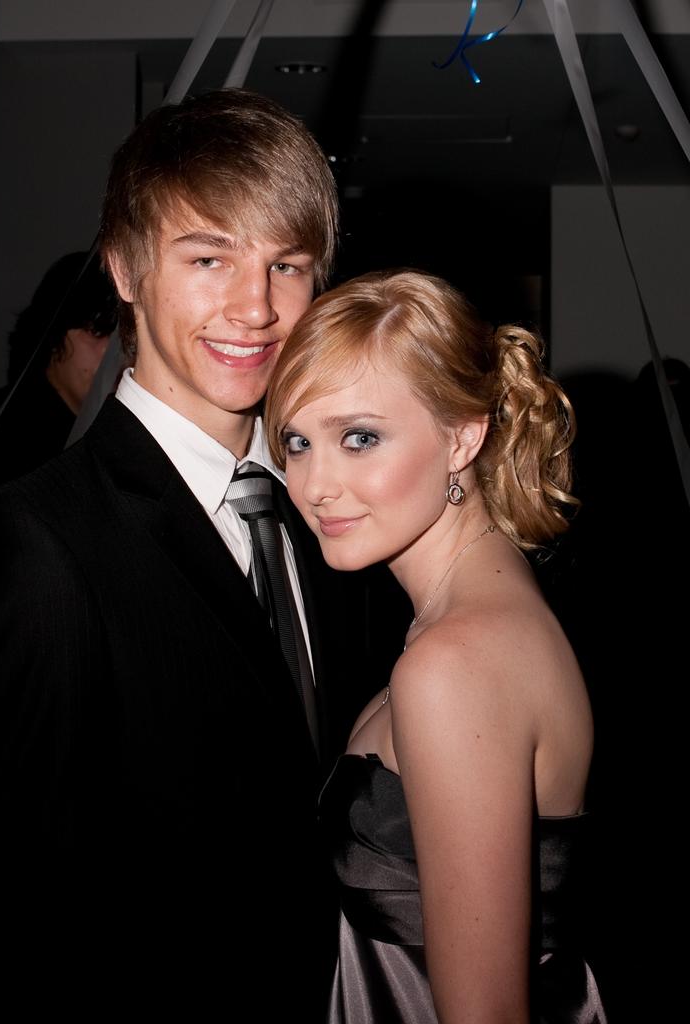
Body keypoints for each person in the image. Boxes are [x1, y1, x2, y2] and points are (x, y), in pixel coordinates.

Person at [0, 92, 406, 1018]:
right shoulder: (38, 545)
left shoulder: (337, 515)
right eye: (208, 258)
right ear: (125, 270)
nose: (256, 306)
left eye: (287, 265)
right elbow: (1, 907)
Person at [265, 269, 608, 1023]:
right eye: (295, 441)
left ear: (462, 436)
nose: (315, 483)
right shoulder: (490, 604)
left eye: (360, 438)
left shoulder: (452, 663)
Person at [0, 251, 117, 519]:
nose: (113, 354)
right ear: (54, 332)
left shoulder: (104, 441)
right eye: (97, 331)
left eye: (125, 340)